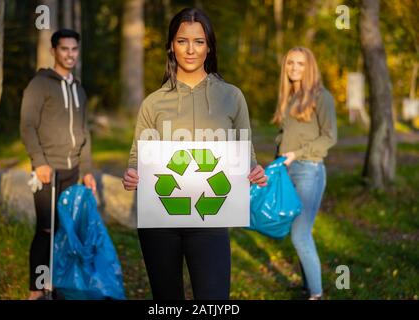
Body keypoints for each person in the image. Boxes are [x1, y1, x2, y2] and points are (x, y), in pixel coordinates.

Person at [123, 8, 267, 300]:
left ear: (209, 46)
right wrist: (131, 175)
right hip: (161, 220)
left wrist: (254, 170)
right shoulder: (153, 104)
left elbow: (245, 151)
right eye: (182, 41)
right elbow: (137, 159)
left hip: (210, 219)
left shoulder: (231, 97)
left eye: (199, 41)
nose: (190, 50)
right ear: (171, 45)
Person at [20, 29, 96, 300]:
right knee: (46, 229)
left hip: (72, 170)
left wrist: (86, 171)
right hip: (47, 171)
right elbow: (27, 126)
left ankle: (56, 286)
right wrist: (39, 162)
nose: (70, 54)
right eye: (64, 49)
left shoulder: (79, 89)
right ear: (54, 51)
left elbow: (84, 132)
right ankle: (36, 291)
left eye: (74, 49)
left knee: (65, 231)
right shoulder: (40, 85)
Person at [273, 47, 337, 300]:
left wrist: (297, 154)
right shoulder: (289, 96)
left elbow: (329, 137)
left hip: (309, 171)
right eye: (290, 63)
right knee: (296, 232)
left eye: (300, 63)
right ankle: (308, 286)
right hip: (287, 170)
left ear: (309, 66)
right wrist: (277, 161)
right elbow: (284, 135)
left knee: (300, 234)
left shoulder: (322, 97)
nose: (294, 68)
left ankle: (317, 295)